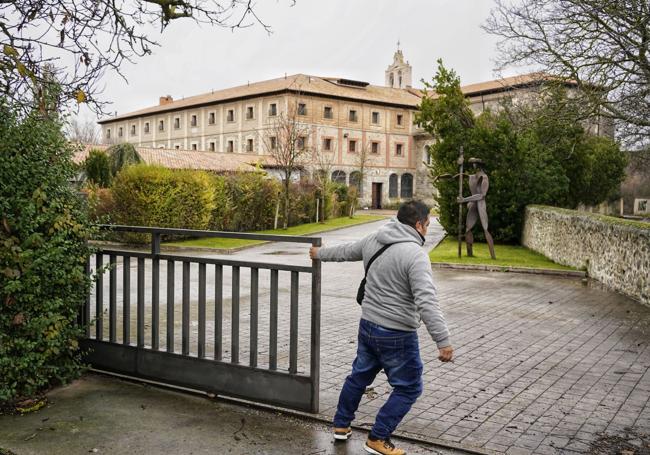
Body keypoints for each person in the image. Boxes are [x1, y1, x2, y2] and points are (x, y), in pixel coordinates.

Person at [309, 200, 453, 455]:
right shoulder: (415, 255)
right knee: (409, 387)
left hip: (368, 326)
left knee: (359, 376)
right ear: (418, 225)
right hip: (397, 334)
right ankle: (378, 438)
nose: (428, 230)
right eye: (428, 225)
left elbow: (345, 251)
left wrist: (319, 254)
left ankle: (341, 425)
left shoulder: (375, 238)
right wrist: (442, 341)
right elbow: (426, 300)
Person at [457, 158, 496, 259]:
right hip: (473, 204)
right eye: (472, 163)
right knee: (468, 229)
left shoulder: (484, 178)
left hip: (480, 204)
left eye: (475, 163)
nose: (473, 165)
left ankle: (493, 255)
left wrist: (464, 199)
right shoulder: (473, 176)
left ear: (479, 165)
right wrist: (459, 165)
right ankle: (469, 254)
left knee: (485, 228)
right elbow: (460, 176)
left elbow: (481, 196)